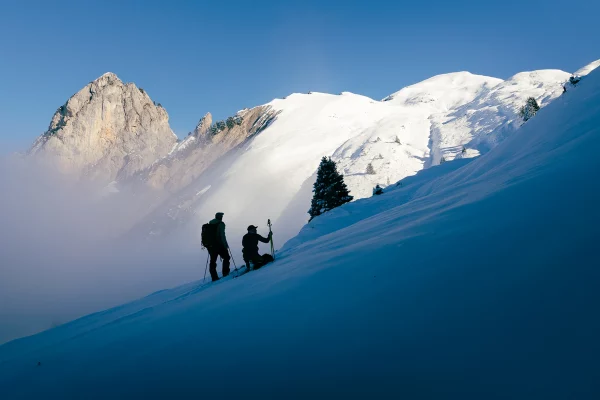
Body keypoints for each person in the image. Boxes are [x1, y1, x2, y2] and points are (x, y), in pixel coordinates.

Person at [207, 212, 230, 281]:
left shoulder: (210, 223)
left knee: (213, 261)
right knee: (226, 257)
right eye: (222, 216)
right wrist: (225, 245)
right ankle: (225, 273)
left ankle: (214, 277)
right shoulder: (221, 224)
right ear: (220, 217)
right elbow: (222, 235)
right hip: (219, 245)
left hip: (210, 246)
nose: (222, 217)